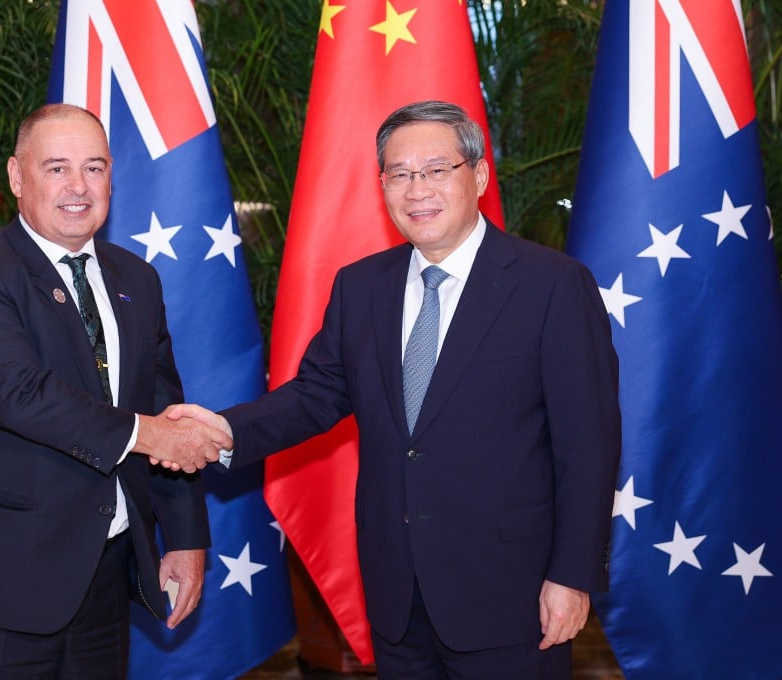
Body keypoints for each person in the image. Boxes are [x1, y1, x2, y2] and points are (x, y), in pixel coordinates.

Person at [170, 100, 621, 678]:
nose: (417, 190)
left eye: (436, 170)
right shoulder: (362, 287)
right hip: (397, 595)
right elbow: (315, 394)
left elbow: (589, 446)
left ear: (478, 175)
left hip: (513, 597)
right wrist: (225, 431)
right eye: (400, 174)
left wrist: (572, 576)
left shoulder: (552, 285)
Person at [0, 103, 228, 679]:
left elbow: (168, 410)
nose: (78, 187)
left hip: (107, 578)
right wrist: (150, 433)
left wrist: (185, 538)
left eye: (94, 168)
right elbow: (22, 395)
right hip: (1, 584)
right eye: (56, 168)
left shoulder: (136, 278)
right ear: (17, 176)